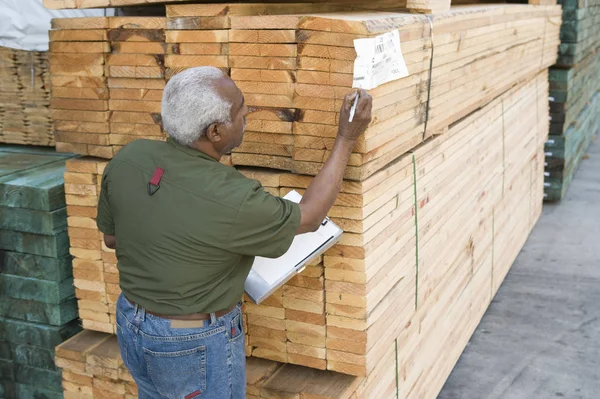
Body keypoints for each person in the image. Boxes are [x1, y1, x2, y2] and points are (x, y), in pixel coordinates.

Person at [96, 66, 372, 399]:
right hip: (189, 343)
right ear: (215, 132)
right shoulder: (232, 197)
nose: (248, 114)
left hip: (133, 323)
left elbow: (112, 238)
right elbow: (311, 217)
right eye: (241, 110)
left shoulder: (130, 157)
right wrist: (346, 137)